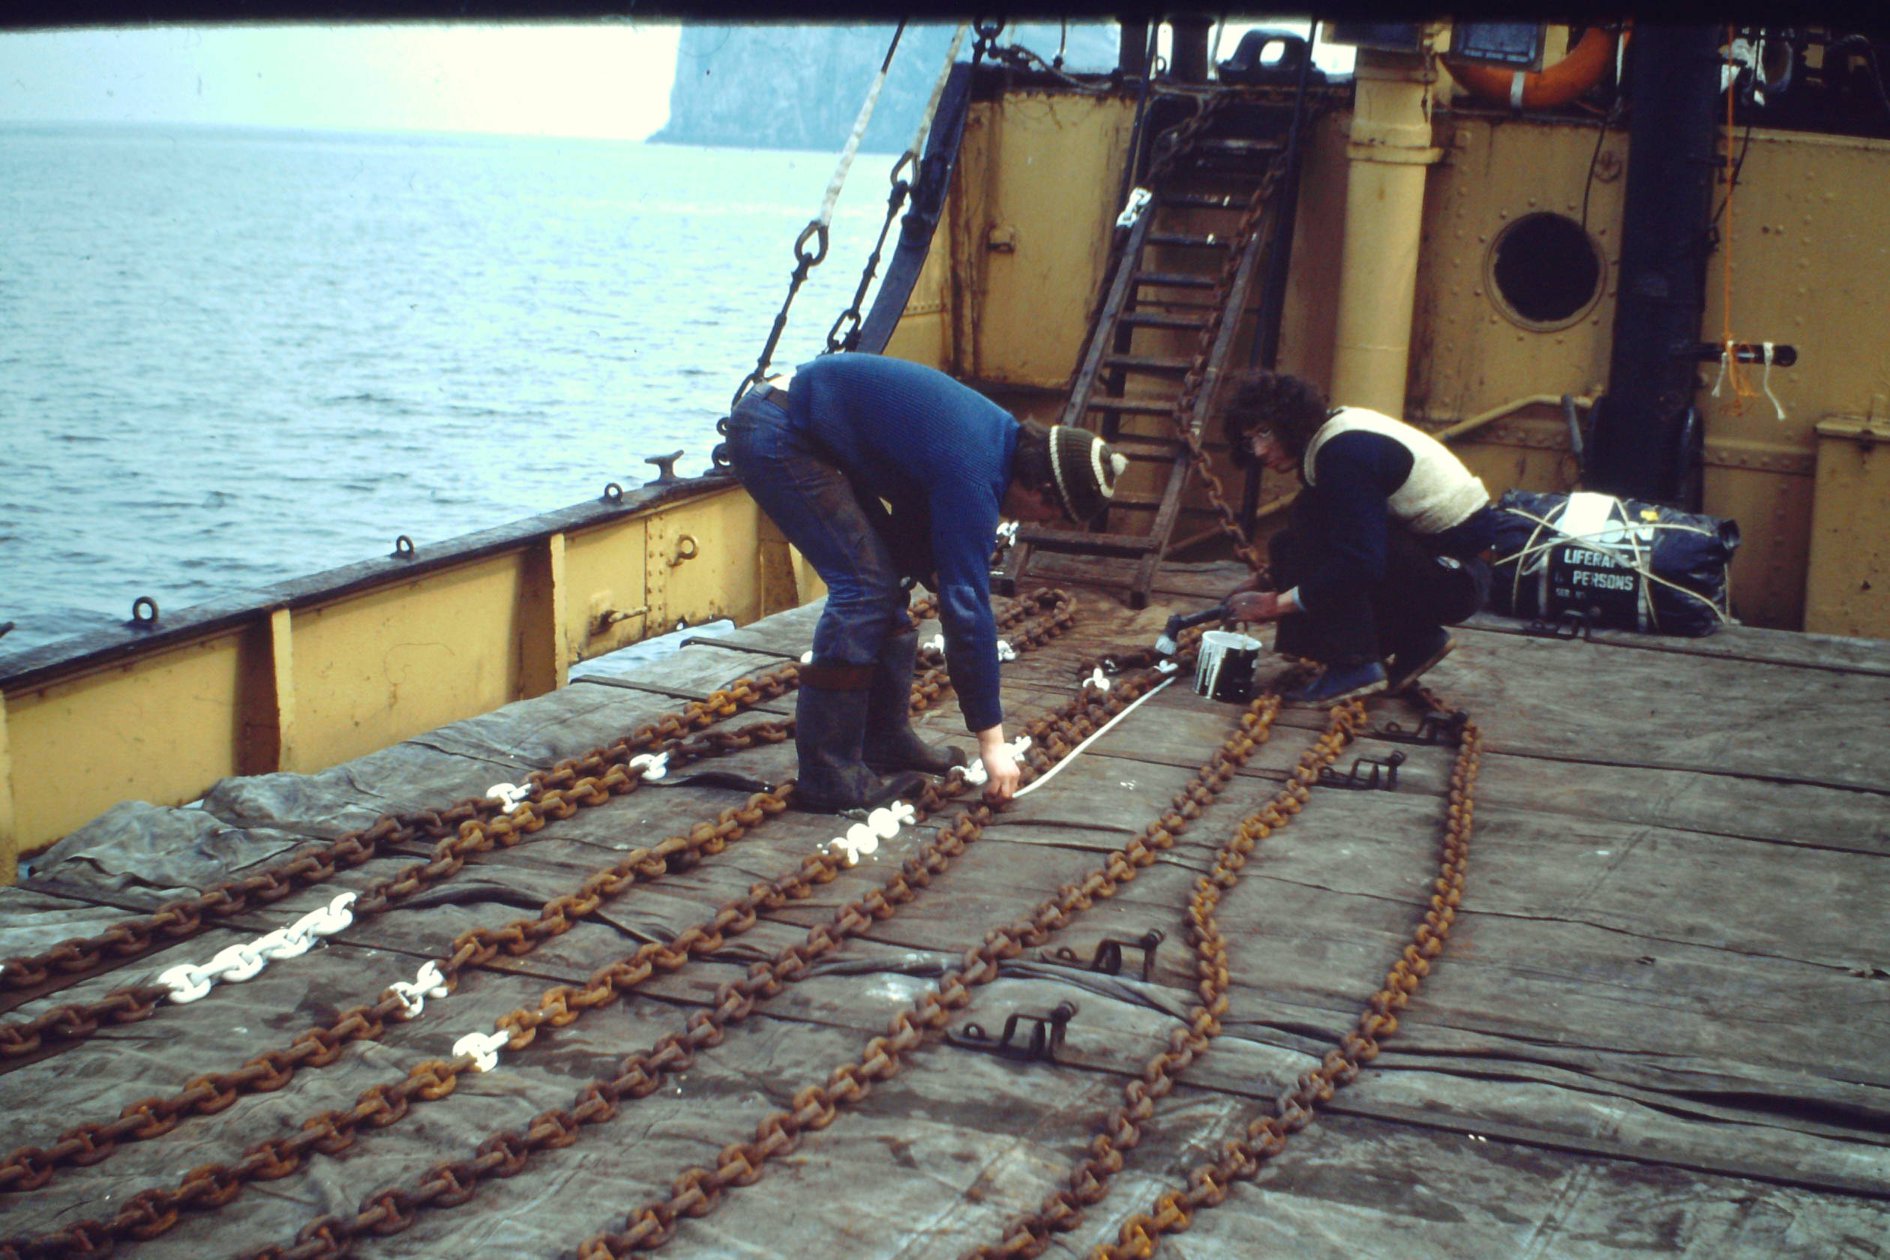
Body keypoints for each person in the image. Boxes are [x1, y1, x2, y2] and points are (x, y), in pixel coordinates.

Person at [723, 352, 1127, 812]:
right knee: (864, 586)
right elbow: (967, 611)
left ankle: (885, 739)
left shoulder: (997, 441)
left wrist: (934, 565)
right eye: (1051, 516)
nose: (1039, 522)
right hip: (779, 430)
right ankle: (827, 773)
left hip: (809, 425)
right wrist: (992, 745)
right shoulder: (976, 474)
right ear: (1043, 491)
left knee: (883, 578)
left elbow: (914, 496)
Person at [1217, 370, 1495, 704]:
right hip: (1442, 567)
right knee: (1289, 541)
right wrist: (1265, 579)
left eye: (1265, 432)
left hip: (1456, 579)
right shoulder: (1334, 436)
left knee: (1324, 536)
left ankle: (1354, 667)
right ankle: (1417, 641)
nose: (1259, 450)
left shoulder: (1342, 454)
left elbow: (1361, 564)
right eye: (1250, 440)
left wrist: (1275, 604)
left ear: (1290, 421)